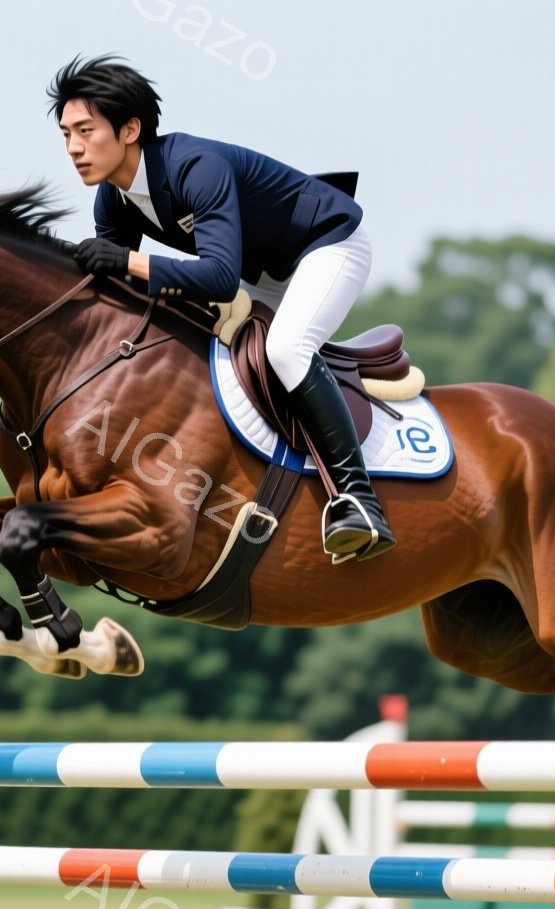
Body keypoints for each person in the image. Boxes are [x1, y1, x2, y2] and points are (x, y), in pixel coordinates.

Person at [47, 54, 395, 563]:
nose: (74, 148)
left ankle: (359, 499)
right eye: (65, 135)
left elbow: (218, 277)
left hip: (327, 244)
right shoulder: (113, 199)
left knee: (286, 347)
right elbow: (126, 292)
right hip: (264, 271)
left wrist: (128, 259)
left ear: (130, 130)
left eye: (85, 130)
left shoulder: (194, 168)